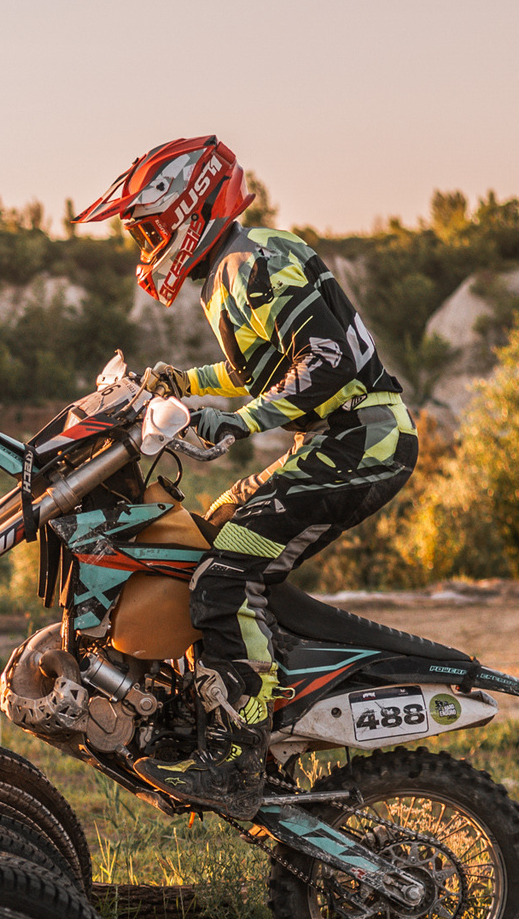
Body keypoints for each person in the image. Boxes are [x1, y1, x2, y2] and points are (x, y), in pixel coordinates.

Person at [74, 135, 415, 818]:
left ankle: (240, 742)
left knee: (227, 575)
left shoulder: (253, 259)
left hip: (362, 441)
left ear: (189, 206)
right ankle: (231, 697)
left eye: (148, 229)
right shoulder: (234, 266)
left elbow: (324, 363)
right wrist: (185, 384)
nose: (145, 247)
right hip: (340, 441)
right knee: (213, 538)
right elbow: (259, 368)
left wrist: (239, 421)